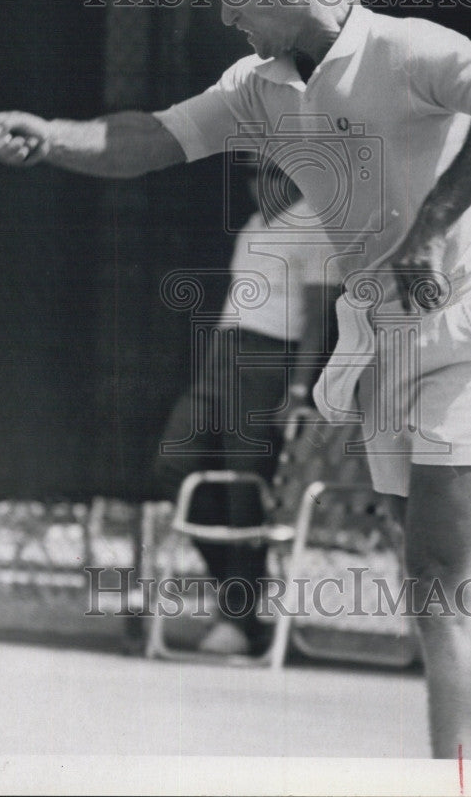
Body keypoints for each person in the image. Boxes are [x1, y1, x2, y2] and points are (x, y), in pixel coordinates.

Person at [0, 0, 471, 759]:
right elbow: (148, 137)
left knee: (442, 593)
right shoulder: (256, 90)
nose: (225, 13)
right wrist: (54, 135)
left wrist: (435, 222)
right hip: (390, 349)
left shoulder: (404, 47)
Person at [153, 168, 342, 657]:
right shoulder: (254, 224)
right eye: (252, 173)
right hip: (223, 353)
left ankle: (238, 620)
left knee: (245, 491)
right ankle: (240, 600)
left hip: (272, 364)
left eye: (272, 171)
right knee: (175, 466)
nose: (260, 183)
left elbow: (320, 318)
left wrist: (299, 391)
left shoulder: (318, 225)